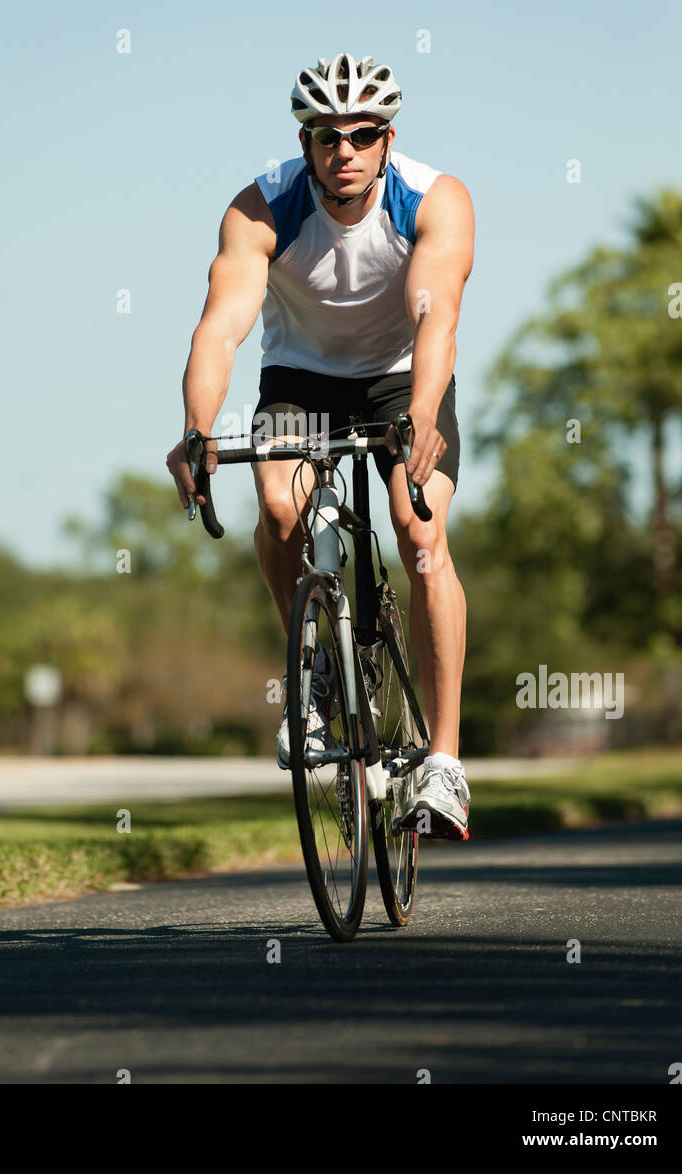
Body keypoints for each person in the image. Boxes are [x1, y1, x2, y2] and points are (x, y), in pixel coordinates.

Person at [166, 53, 474, 839]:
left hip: (403, 377)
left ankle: (444, 759)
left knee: (422, 536)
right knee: (277, 511)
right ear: (304, 142)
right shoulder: (260, 207)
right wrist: (198, 430)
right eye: (326, 135)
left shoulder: (434, 199)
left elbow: (434, 313)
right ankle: (311, 682)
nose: (345, 150)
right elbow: (224, 323)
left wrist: (427, 414)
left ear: (386, 139)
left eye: (363, 134)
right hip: (299, 377)